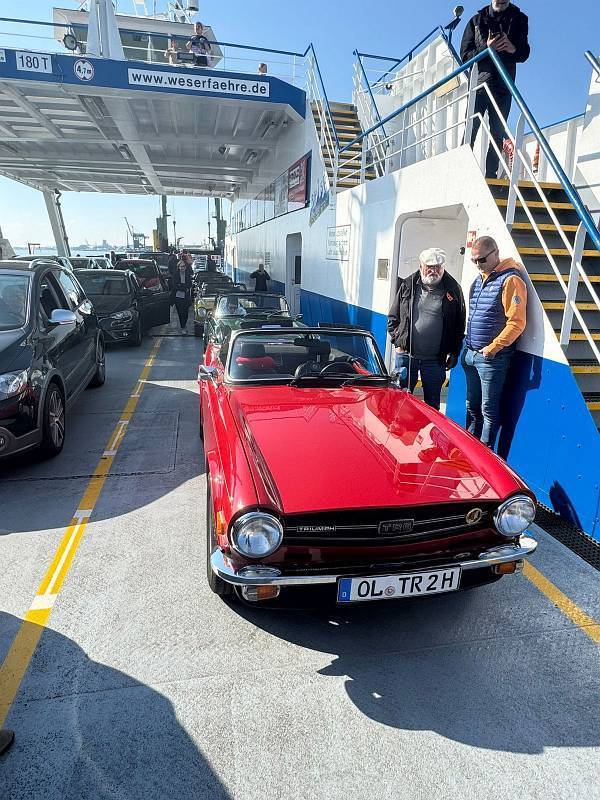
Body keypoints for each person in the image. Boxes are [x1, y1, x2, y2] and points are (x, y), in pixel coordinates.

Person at [461, 235, 527, 448]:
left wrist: (493, 348)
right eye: (474, 260)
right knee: (471, 405)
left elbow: (517, 322)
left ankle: (486, 452)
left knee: (488, 410)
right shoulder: (478, 280)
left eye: (482, 259)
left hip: (491, 358)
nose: (478, 264)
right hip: (470, 353)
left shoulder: (511, 280)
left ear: (496, 253)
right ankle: (470, 448)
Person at [387, 248, 465, 411]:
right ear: (421, 266)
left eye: (437, 267)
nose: (433, 270)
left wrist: (454, 352)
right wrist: (398, 342)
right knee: (401, 401)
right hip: (407, 356)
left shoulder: (453, 289)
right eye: (429, 266)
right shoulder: (408, 285)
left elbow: (459, 325)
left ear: (443, 267)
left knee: (432, 405)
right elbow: (393, 317)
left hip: (435, 360)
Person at [460, 1, 530, 178]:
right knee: (471, 129)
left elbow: (524, 53)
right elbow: (465, 56)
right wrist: (487, 48)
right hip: (479, 86)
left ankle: (490, 176)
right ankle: (461, 173)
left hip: (503, 87)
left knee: (497, 133)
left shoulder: (520, 19)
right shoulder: (475, 21)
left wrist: (513, 48)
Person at [171, 253, 193, 334]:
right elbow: (175, 286)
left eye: (183, 266)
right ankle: (183, 326)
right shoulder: (176, 275)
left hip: (186, 297)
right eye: (181, 266)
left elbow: (190, 284)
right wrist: (184, 287)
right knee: (180, 313)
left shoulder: (187, 274)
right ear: (178, 267)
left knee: (186, 312)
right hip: (178, 297)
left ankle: (184, 324)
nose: (182, 268)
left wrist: (182, 286)